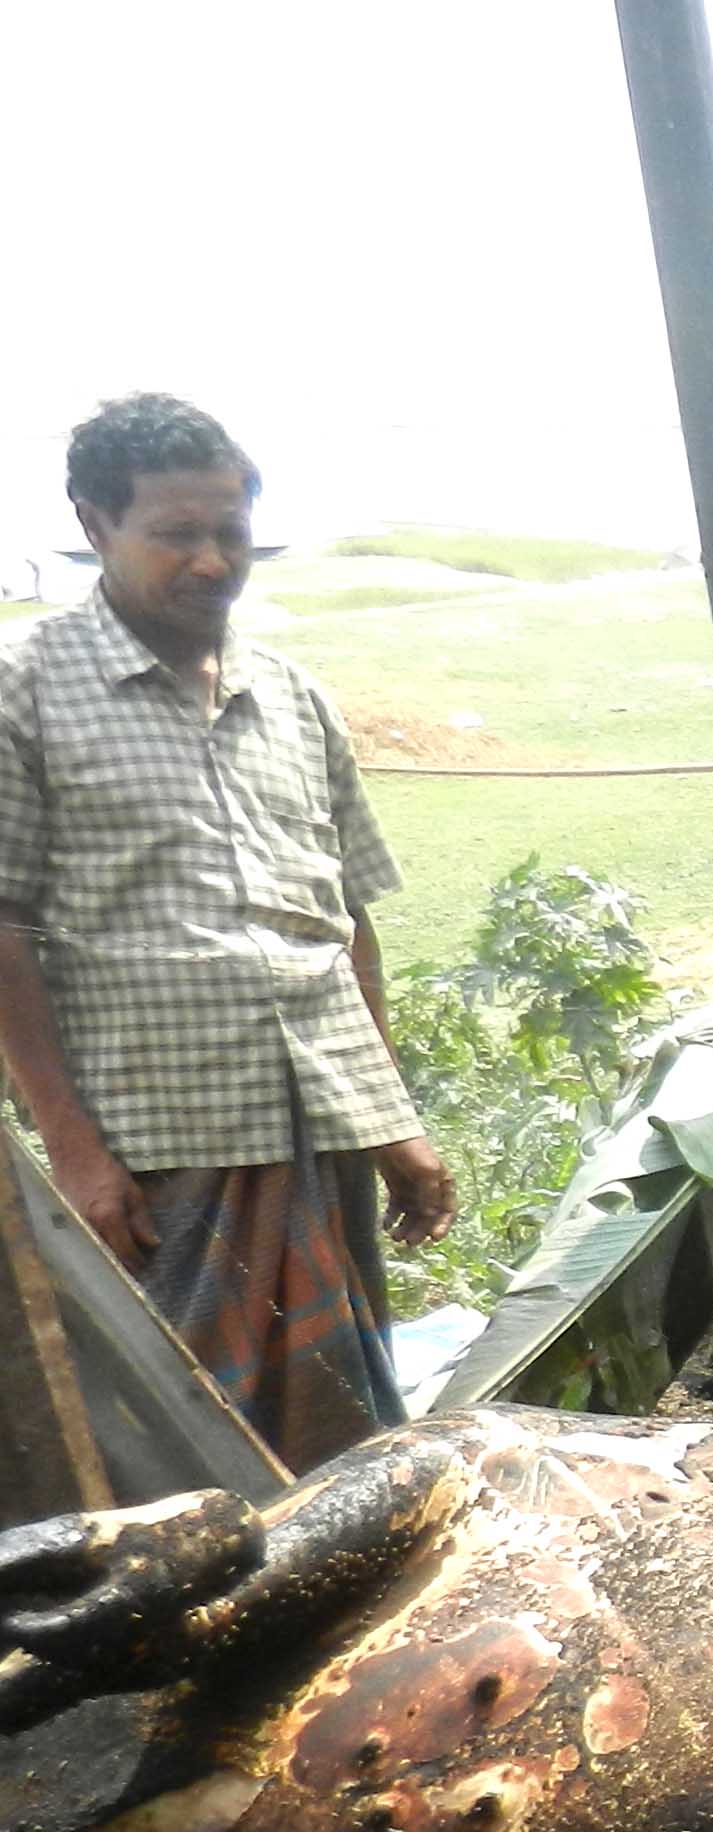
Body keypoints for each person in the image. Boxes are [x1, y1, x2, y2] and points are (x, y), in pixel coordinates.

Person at [0, 395, 450, 1470]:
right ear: (95, 525)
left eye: (230, 533)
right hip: (162, 1152)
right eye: (176, 534)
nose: (212, 562)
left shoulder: (292, 698)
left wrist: (392, 1116)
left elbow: (345, 926)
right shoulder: (26, 691)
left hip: (320, 1140)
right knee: (177, 1443)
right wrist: (73, 1147)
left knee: (346, 1455)